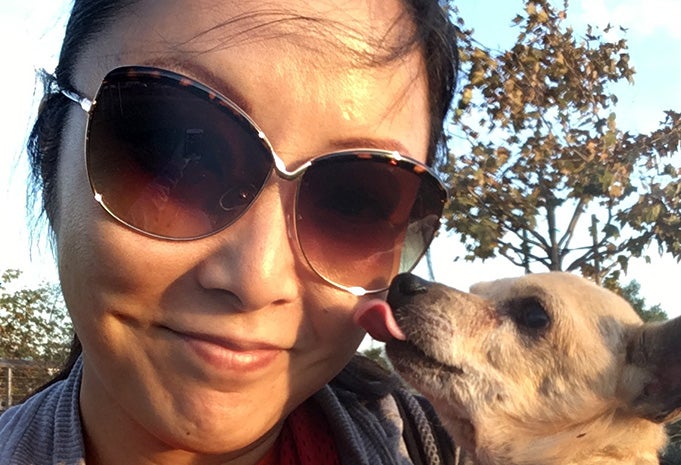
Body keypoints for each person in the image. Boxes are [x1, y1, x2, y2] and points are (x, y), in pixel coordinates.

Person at [0, 0, 468, 464]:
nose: (255, 280)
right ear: (48, 145)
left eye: (354, 203)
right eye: (178, 157)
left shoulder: (456, 447)